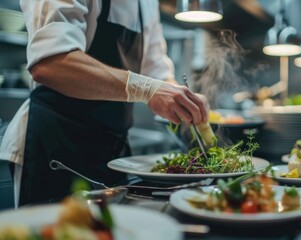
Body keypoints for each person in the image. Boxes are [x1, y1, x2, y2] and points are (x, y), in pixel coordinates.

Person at [0, 0, 210, 207]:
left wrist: (181, 99)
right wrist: (147, 89)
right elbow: (51, 62)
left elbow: (157, 71)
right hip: (57, 149)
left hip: (114, 154)